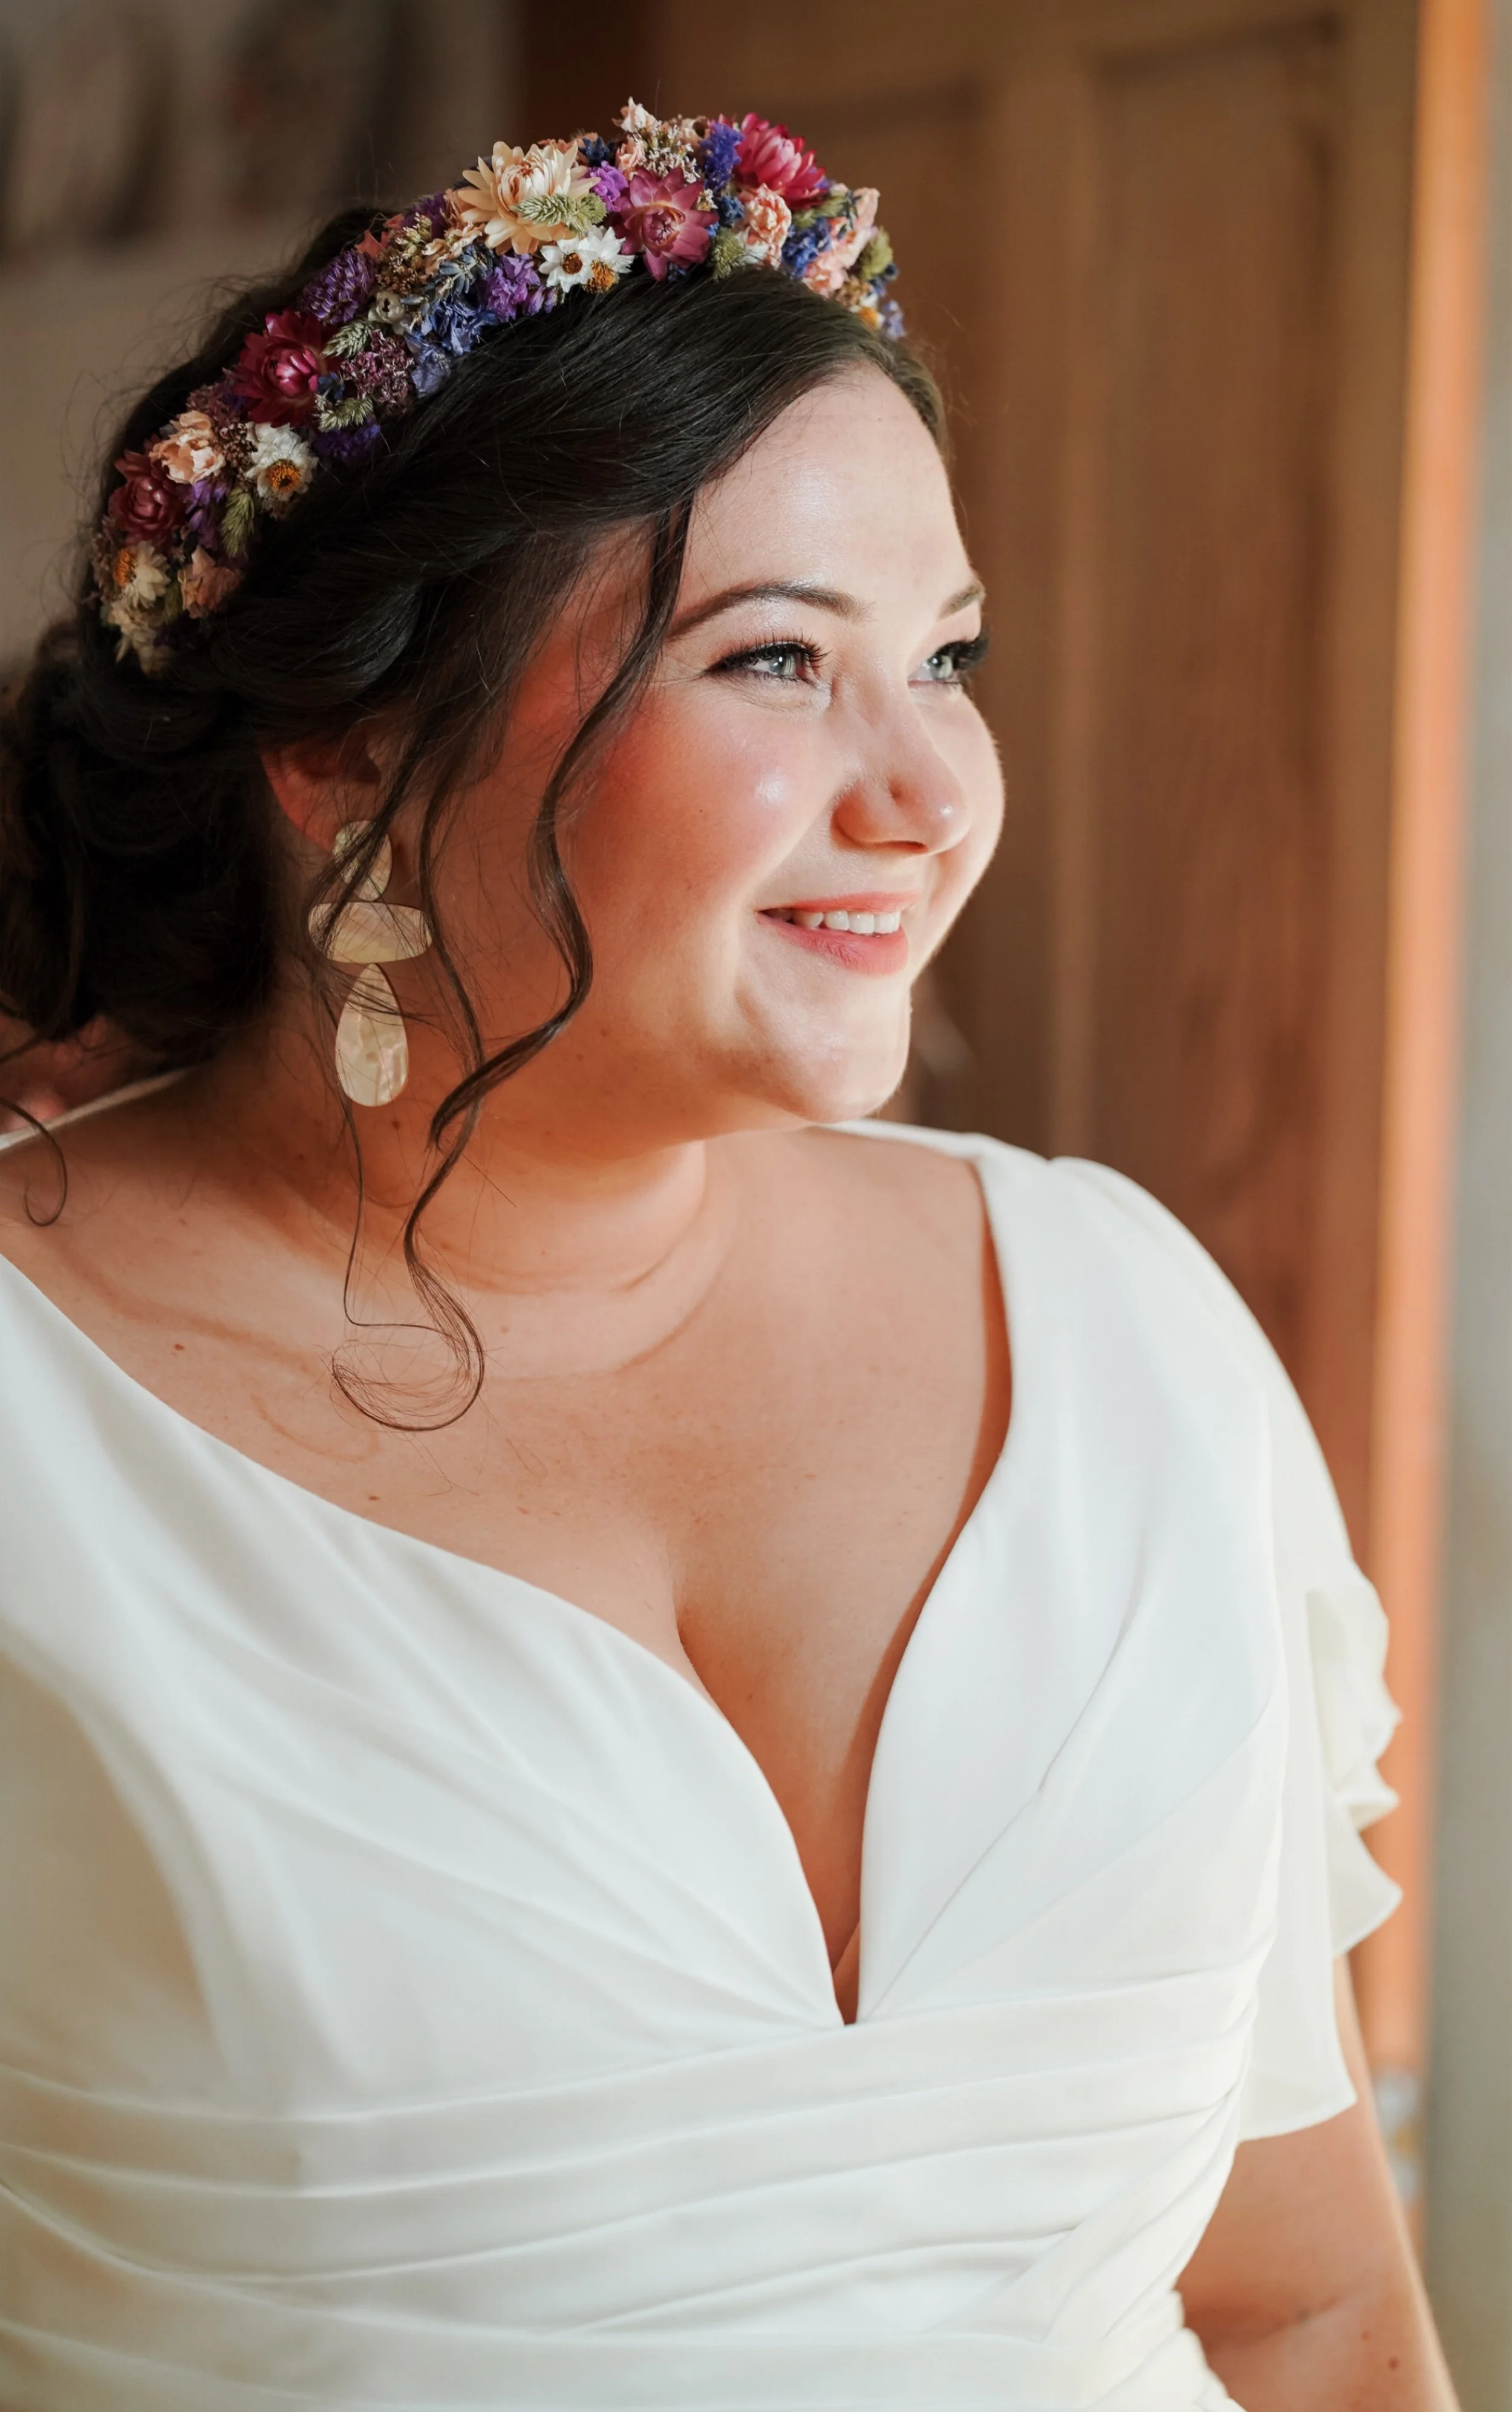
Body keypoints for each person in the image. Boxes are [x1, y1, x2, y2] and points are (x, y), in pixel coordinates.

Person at [0, 100, 1458, 2412]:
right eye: (777, 662)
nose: (930, 796)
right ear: (346, 743)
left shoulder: (1117, 1326)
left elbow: (1306, 2307)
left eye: (946, 658)